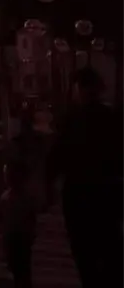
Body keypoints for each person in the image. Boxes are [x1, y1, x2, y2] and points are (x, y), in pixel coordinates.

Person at [45, 67, 124, 287]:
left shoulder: (72, 120)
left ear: (78, 89)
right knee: (111, 251)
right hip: (108, 194)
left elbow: (55, 158)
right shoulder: (112, 119)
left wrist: (48, 189)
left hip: (79, 196)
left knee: (85, 255)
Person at [0, 160, 38, 288]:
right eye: (7, 175)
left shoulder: (26, 198)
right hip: (10, 237)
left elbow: (31, 218)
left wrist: (31, 233)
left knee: (23, 268)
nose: (8, 179)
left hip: (22, 238)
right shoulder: (5, 197)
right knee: (14, 265)